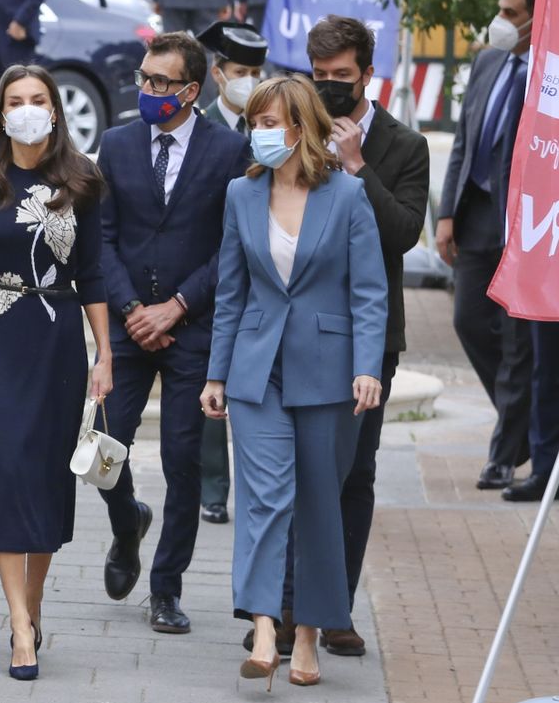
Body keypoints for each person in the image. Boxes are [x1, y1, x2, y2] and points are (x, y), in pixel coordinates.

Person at [203, 74, 386, 690]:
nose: (257, 133)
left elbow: (369, 290)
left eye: (268, 123)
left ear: (300, 127)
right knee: (263, 498)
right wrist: (216, 373)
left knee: (317, 503)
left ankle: (307, 633)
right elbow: (231, 291)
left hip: (329, 372)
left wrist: (367, 366)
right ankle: (264, 629)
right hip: (257, 372)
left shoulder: (348, 195)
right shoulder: (240, 194)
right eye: (254, 123)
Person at [0, 64, 112, 681]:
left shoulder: (81, 180)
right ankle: (19, 624)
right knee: (8, 473)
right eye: (15, 101)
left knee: (46, 481)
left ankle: (32, 605)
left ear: (56, 110)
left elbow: (92, 272)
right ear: (0, 113)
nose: (27, 109)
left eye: (38, 99)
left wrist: (105, 353)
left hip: (58, 340)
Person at [96, 32, 251, 633]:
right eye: (144, 78)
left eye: (160, 82)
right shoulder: (116, 144)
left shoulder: (229, 151)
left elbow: (231, 245)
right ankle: (127, 521)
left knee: (183, 460)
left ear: (191, 90)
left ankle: (165, 588)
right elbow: (101, 238)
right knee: (101, 449)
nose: (148, 89)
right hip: (129, 324)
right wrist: (134, 308)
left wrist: (178, 306)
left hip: (194, 327)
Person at [299, 15, 430, 656]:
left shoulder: (405, 146)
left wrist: (355, 166)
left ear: (368, 76)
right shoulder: (291, 130)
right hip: (301, 327)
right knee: (297, 471)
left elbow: (402, 234)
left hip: (369, 334)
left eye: (341, 76)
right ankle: (286, 608)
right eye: (319, 75)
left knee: (353, 473)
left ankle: (336, 611)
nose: (329, 87)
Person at [436, 0, 537, 491]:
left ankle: (504, 454)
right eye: (500, 10)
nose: (500, 21)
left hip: (525, 222)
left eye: (511, 13)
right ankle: (528, 428)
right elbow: (463, 141)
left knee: (518, 341)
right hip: (475, 215)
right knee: (469, 321)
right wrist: (446, 214)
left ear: (535, 20)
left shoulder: (550, 70)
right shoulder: (487, 62)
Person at [193, 20, 269, 527]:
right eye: (239, 72)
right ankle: (213, 488)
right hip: (211, 273)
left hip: (260, 273)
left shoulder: (272, 127)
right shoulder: (202, 128)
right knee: (211, 380)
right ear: (218, 74)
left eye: (255, 72)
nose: (248, 81)